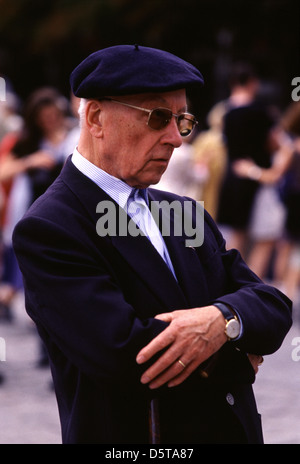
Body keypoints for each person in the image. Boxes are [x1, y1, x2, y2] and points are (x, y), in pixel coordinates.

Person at [12, 45, 292, 444]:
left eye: (183, 120)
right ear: (96, 118)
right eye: (158, 117)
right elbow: (126, 356)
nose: (176, 138)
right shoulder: (50, 226)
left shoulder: (182, 211)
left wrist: (222, 319)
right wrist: (238, 352)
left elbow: (273, 305)